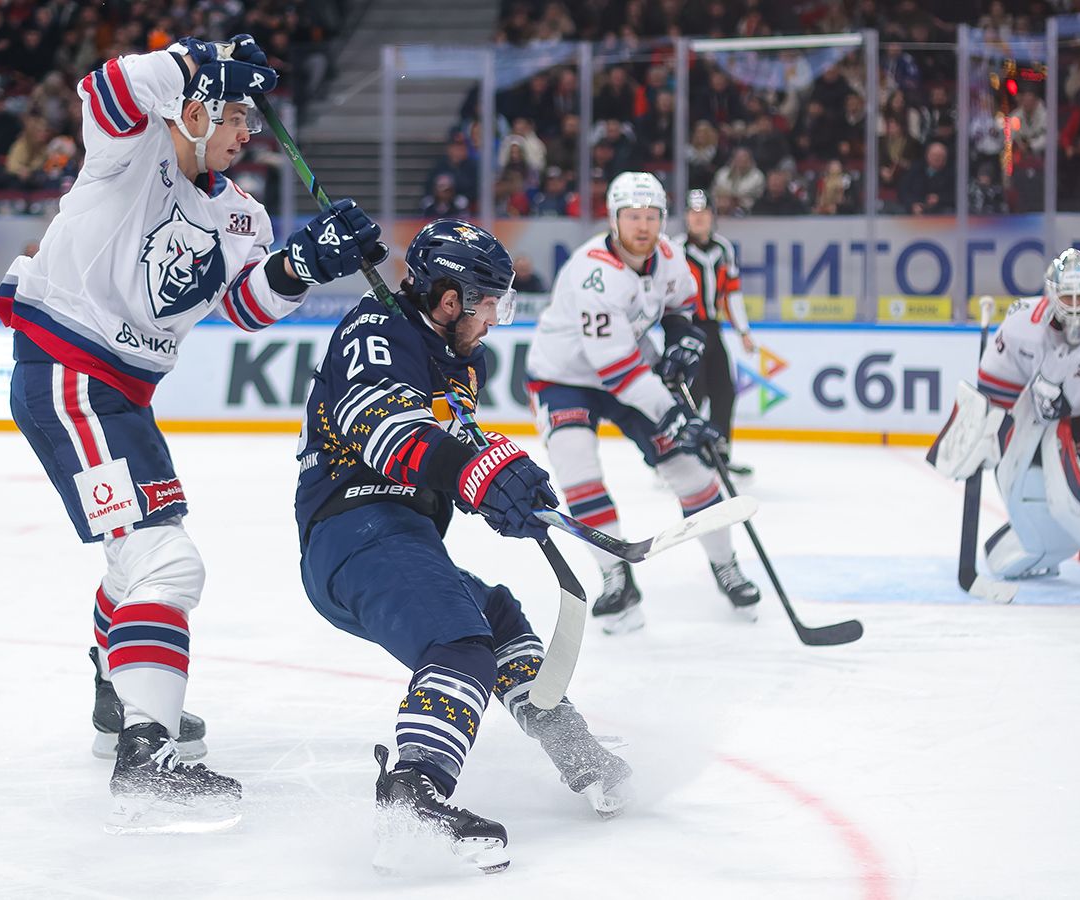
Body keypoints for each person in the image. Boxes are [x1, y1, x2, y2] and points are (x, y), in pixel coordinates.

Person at [0, 34, 384, 833]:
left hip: (121, 397)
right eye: (235, 114)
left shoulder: (241, 212)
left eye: (250, 118)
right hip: (70, 378)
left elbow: (243, 307)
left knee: (137, 558)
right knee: (167, 561)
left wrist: (307, 262)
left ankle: (119, 697)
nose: (247, 132)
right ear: (193, 111)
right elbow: (107, 85)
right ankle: (145, 754)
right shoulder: (131, 151)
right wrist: (196, 53)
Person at [295, 220, 631, 873]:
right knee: (460, 642)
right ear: (450, 300)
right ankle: (412, 794)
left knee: (497, 616)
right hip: (353, 529)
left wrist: (512, 484)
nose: (495, 319)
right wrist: (481, 476)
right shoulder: (376, 330)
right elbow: (388, 434)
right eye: (489, 305)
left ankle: (572, 746)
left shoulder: (460, 358)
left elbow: (459, 443)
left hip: (401, 533)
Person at [526, 172, 762, 634]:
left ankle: (726, 565)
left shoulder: (669, 256)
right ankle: (615, 577)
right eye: (632, 216)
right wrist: (674, 414)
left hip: (629, 367)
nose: (643, 226)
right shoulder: (594, 273)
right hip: (564, 379)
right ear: (614, 219)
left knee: (690, 470)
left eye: (652, 216)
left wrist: (681, 337)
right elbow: (616, 370)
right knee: (578, 471)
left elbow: (681, 303)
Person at [929, 249, 1080, 596]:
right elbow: (994, 393)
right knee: (1020, 476)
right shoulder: (1021, 322)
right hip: (1042, 420)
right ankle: (1038, 538)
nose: (1074, 306)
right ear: (1050, 292)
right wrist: (980, 432)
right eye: (1066, 296)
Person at [673, 189, 756, 476]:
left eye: (704, 213)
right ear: (686, 217)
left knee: (724, 391)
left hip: (712, 327)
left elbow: (732, 293)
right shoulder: (674, 249)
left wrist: (743, 331)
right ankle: (680, 454)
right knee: (691, 392)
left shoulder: (723, 249)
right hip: (684, 327)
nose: (698, 218)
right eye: (693, 213)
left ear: (712, 216)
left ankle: (720, 450)